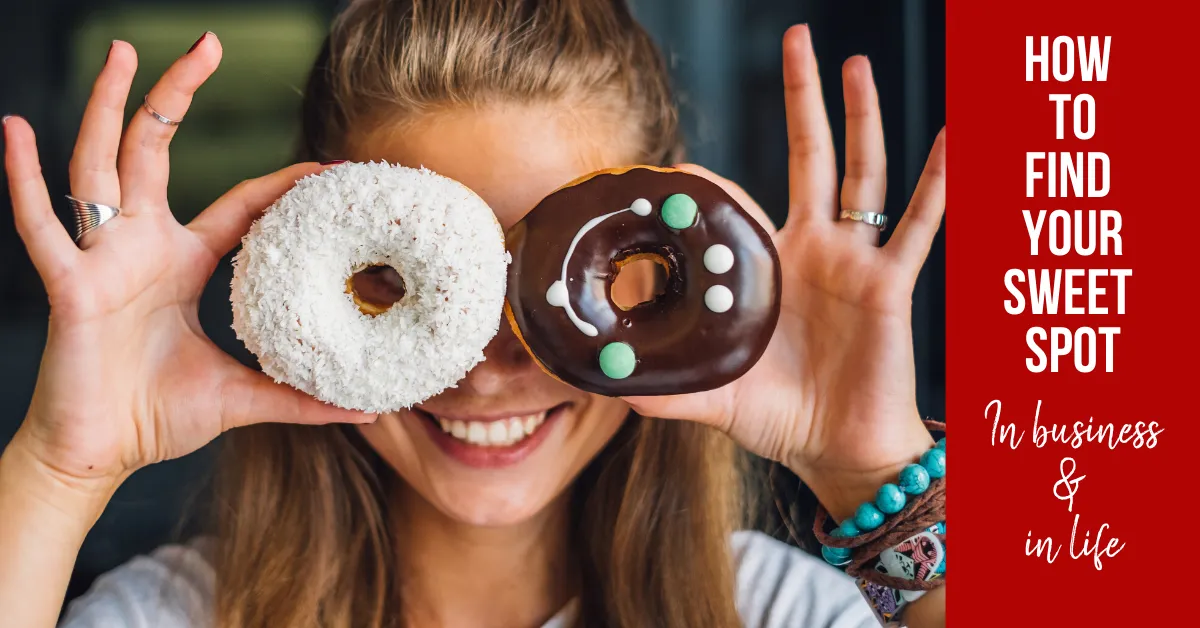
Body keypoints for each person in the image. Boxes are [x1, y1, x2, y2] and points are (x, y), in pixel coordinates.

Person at [0, 1, 946, 626]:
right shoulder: (167, 615)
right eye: (397, 283)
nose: (487, 364)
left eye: (548, 284)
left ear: (668, 279)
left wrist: (868, 469)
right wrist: (58, 471)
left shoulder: (784, 612)